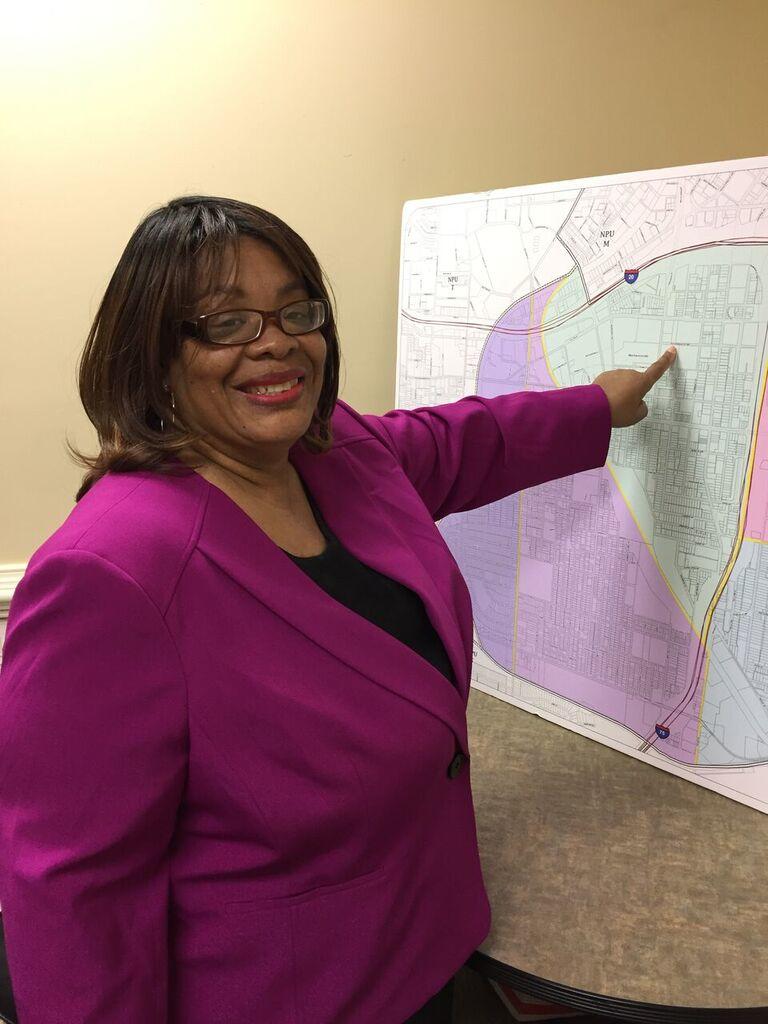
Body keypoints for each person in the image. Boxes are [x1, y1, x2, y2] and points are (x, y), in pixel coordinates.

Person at [0, 196, 676, 1024]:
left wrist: (596, 408)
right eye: (225, 322)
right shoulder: (110, 575)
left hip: (424, 952)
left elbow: (457, 443)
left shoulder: (339, 456)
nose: (275, 340)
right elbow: (74, 893)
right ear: (155, 355)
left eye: (296, 310)